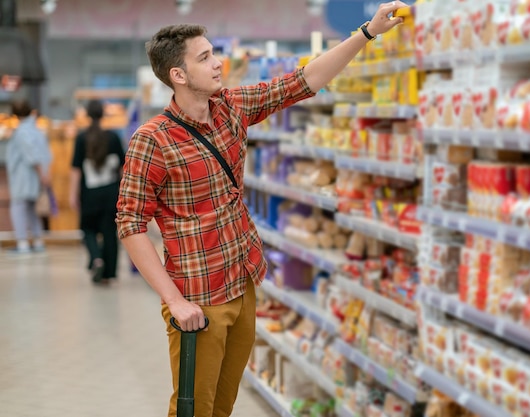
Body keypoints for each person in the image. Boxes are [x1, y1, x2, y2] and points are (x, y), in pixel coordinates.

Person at [115, 2, 406, 416]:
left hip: (243, 278)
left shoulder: (231, 108)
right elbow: (130, 223)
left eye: (214, 53)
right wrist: (174, 301)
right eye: (205, 58)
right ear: (177, 76)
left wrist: (368, 32)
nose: (218, 64)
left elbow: (304, 81)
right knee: (194, 409)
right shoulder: (153, 140)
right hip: (199, 295)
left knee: (223, 405)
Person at [70, 100, 125, 283]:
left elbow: (76, 169)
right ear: (103, 114)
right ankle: (108, 273)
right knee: (109, 231)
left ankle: (96, 258)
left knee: (88, 228)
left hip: (89, 195)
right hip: (111, 194)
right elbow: (123, 168)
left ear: (86, 114)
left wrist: (73, 194)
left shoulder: (81, 138)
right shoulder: (114, 137)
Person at [5, 99, 52, 256]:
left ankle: (22, 243)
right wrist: (44, 174)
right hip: (34, 177)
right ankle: (38, 240)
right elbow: (45, 154)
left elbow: (32, 155)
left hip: (23, 177)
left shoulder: (22, 132)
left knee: (18, 207)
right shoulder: (36, 130)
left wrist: (41, 174)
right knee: (32, 209)